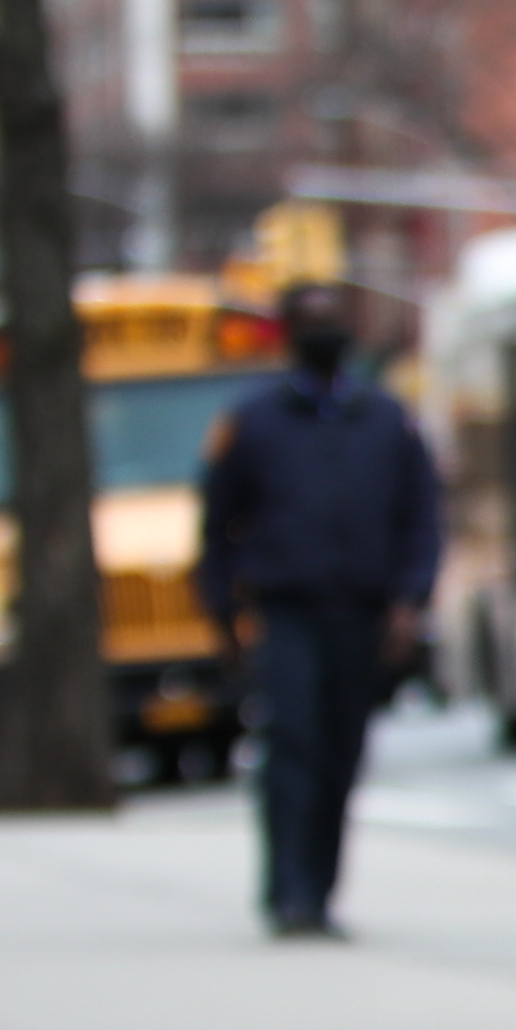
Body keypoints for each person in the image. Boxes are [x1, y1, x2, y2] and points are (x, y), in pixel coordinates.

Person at [194, 280, 442, 940]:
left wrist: (410, 598)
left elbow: (422, 515)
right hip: (288, 612)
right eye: (312, 322)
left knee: (340, 755)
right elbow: (218, 523)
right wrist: (221, 612)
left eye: (333, 320)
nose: (324, 333)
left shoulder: (385, 419)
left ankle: (322, 893)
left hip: (359, 614)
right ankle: (288, 894)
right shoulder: (253, 421)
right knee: (292, 749)